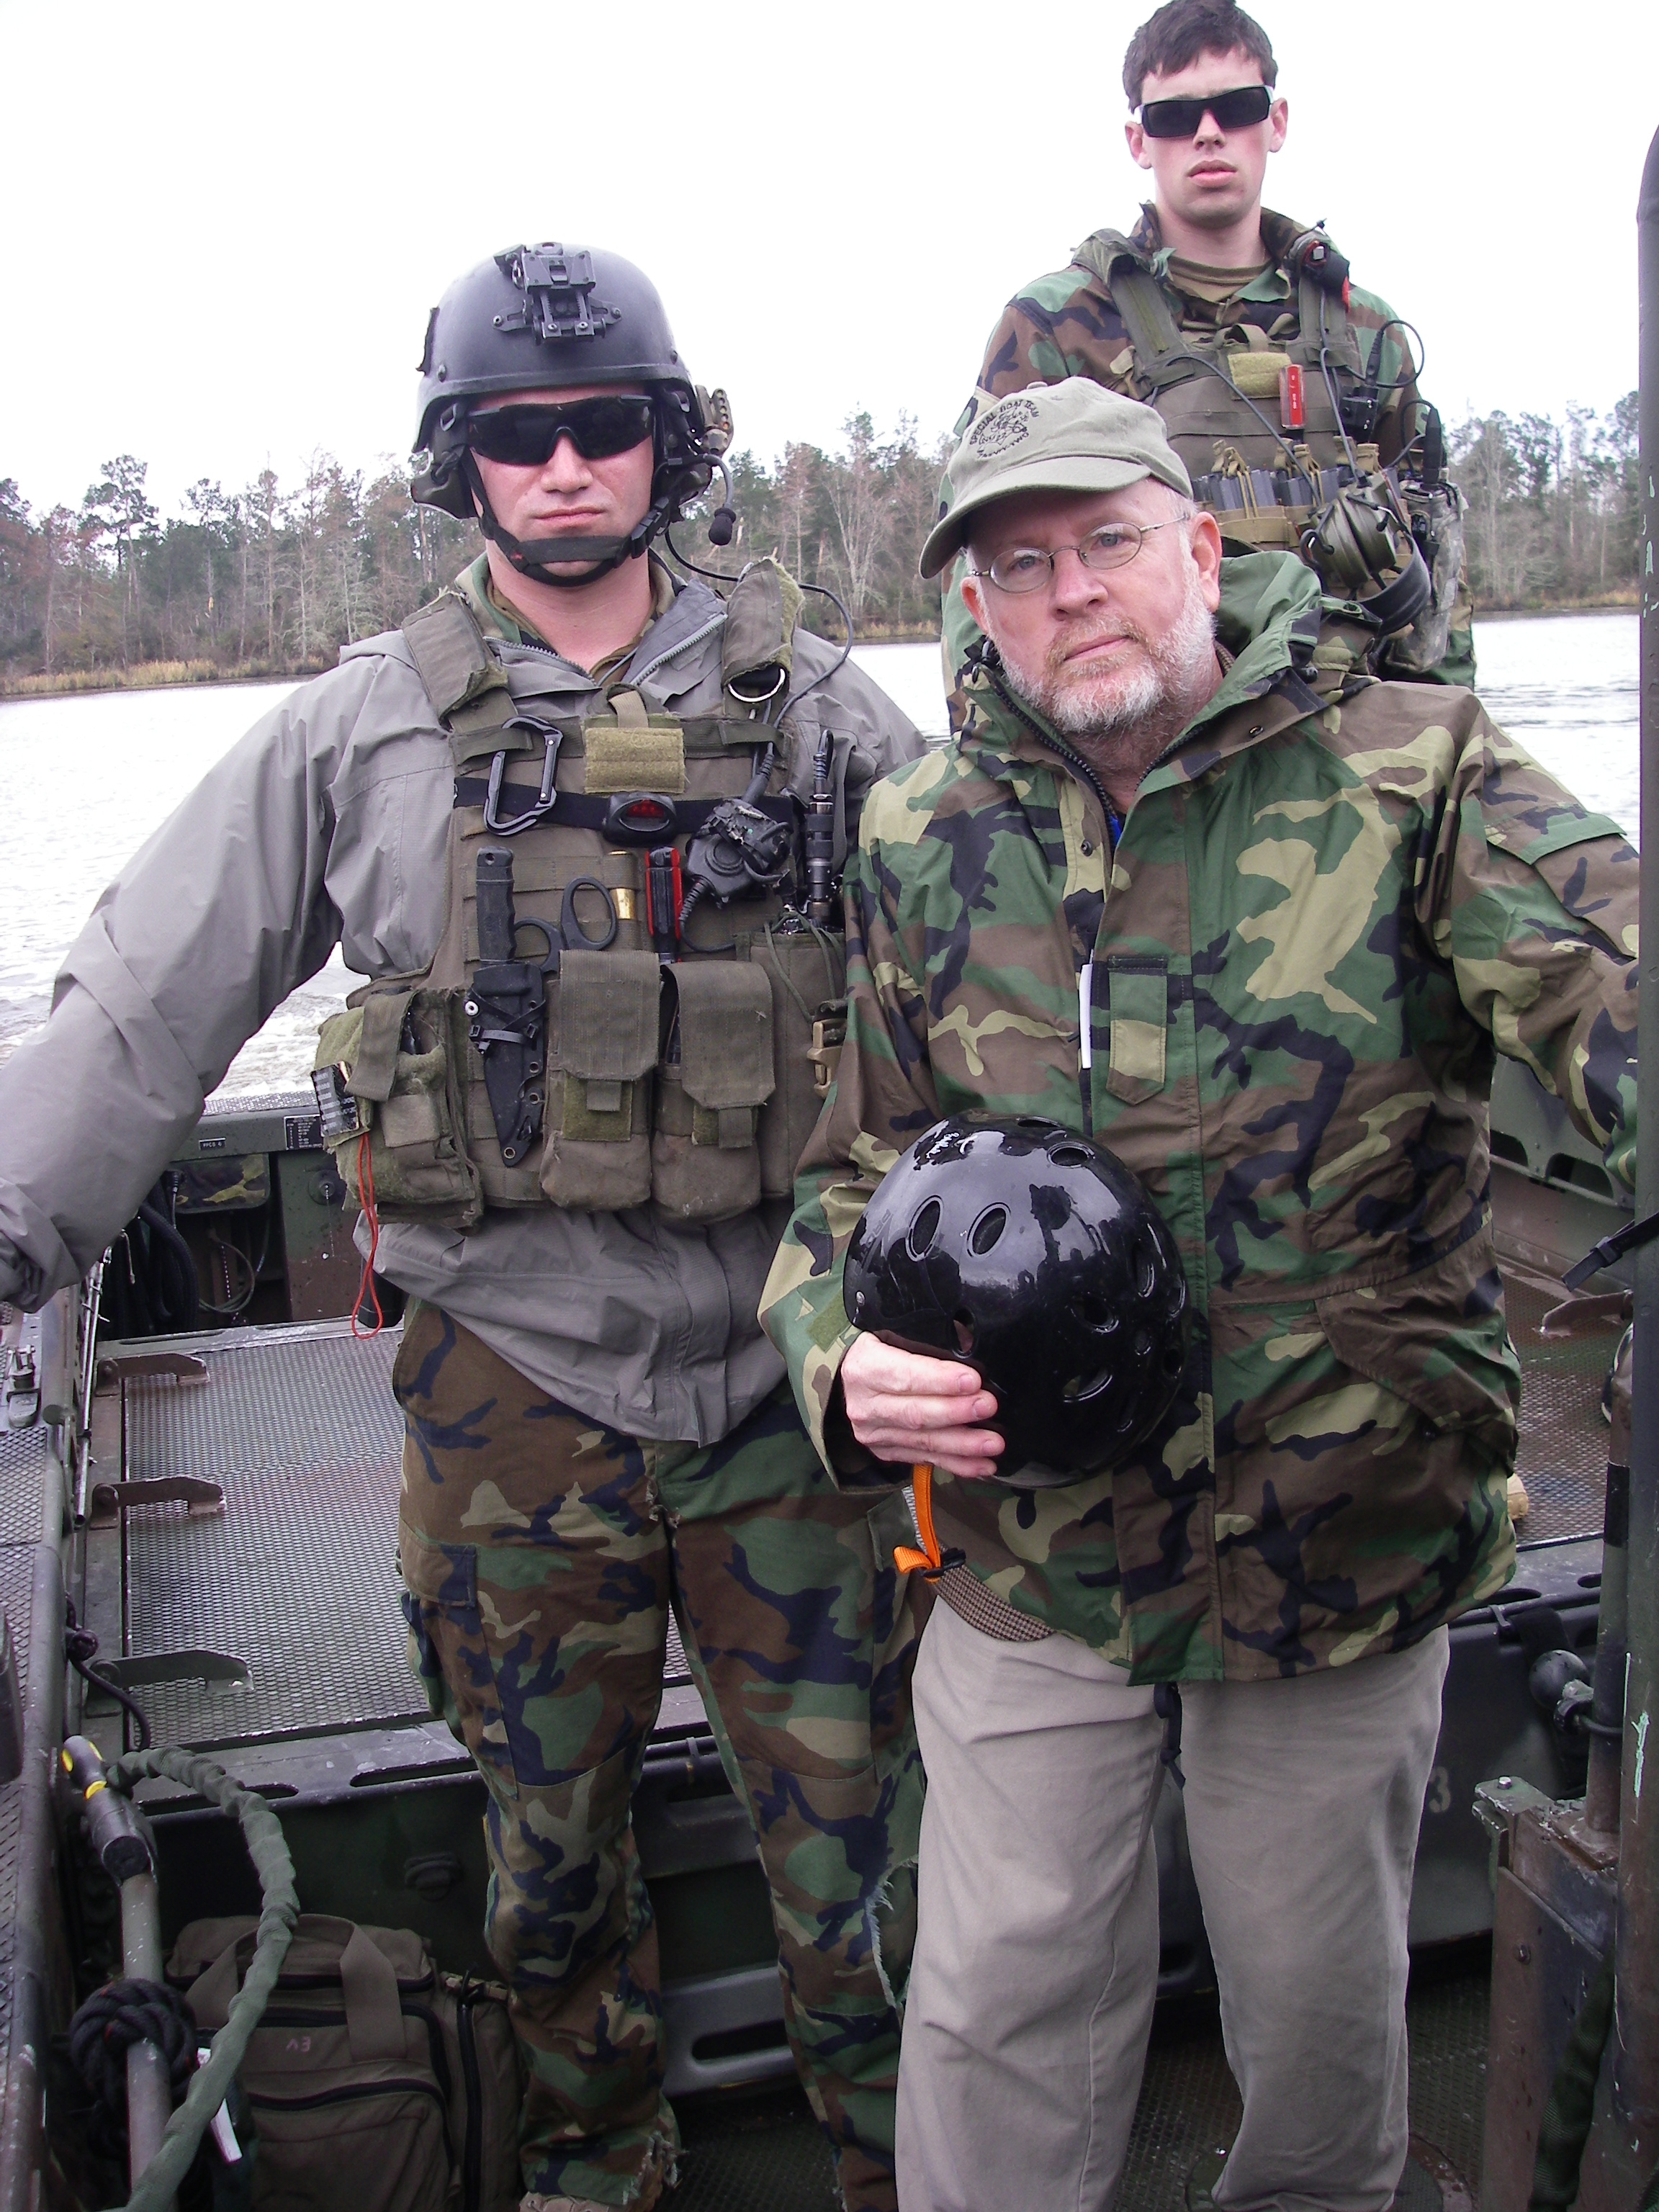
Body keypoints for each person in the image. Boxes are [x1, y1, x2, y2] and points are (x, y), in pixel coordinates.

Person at [0, 243, 930, 2212]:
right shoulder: (358, 731)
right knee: (548, 1860)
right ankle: (598, 2159)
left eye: (603, 426)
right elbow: (147, 997)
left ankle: (903, 2167)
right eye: (520, 433)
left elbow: (984, 953)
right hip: (512, 1384)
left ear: (666, 444)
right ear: (463, 461)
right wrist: (12, 1232)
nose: (565, 464)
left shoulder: (818, 710)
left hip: (785, 1378)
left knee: (857, 1846)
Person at [762, 379, 1637, 2211]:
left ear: (1202, 550)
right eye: (1020, 564)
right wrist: (839, 1357)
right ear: (977, 605)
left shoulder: (1415, 771)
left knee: (1319, 2026)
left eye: (1107, 540)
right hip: (1029, 1548)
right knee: (996, 2005)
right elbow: (856, 1170)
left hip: (1335, 1533)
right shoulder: (922, 829)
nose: (1071, 589)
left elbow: (1608, 977)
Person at [946, 0, 1473, 703]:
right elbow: (981, 568)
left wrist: (1449, 729)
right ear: (1139, 139)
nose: (1208, 133)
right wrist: (990, 748)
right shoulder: (1055, 326)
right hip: (1146, 735)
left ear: (1275, 122)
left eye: (1236, 107)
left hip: (1355, 728)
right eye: (1175, 116)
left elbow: (1436, 568)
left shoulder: (1366, 332)